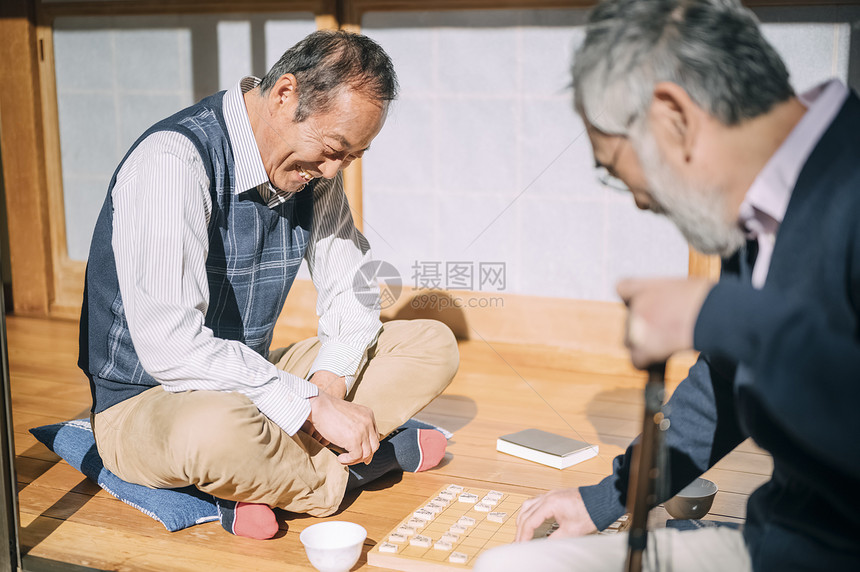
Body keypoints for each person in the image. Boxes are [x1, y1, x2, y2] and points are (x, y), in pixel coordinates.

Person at [475, 0, 860, 570]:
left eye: (612, 166)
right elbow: (725, 385)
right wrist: (608, 499)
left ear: (672, 115)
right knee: (512, 565)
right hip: (782, 540)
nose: (637, 198)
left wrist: (717, 312)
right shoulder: (754, 218)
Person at [79, 30, 459, 540]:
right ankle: (353, 471)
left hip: (253, 378)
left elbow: (350, 288)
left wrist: (329, 386)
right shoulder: (172, 162)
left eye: (351, 157)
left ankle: (263, 481)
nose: (332, 170)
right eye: (330, 150)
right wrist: (309, 407)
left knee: (430, 343)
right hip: (150, 401)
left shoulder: (314, 172)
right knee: (214, 430)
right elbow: (171, 349)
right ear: (285, 94)